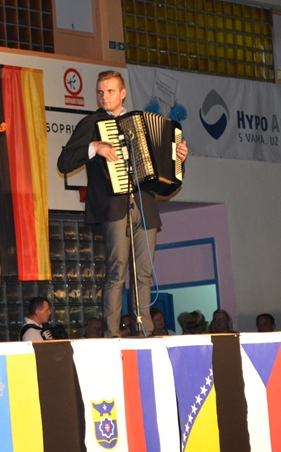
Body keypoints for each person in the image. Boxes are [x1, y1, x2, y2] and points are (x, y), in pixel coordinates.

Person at [57, 70, 188, 338]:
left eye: (110, 91)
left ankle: (145, 330)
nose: (104, 97)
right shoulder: (92, 123)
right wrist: (94, 147)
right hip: (114, 205)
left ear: (123, 93)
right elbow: (64, 162)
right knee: (117, 269)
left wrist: (179, 159)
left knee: (144, 272)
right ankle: (112, 333)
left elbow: (165, 173)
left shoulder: (140, 121)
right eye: (100, 92)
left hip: (145, 203)